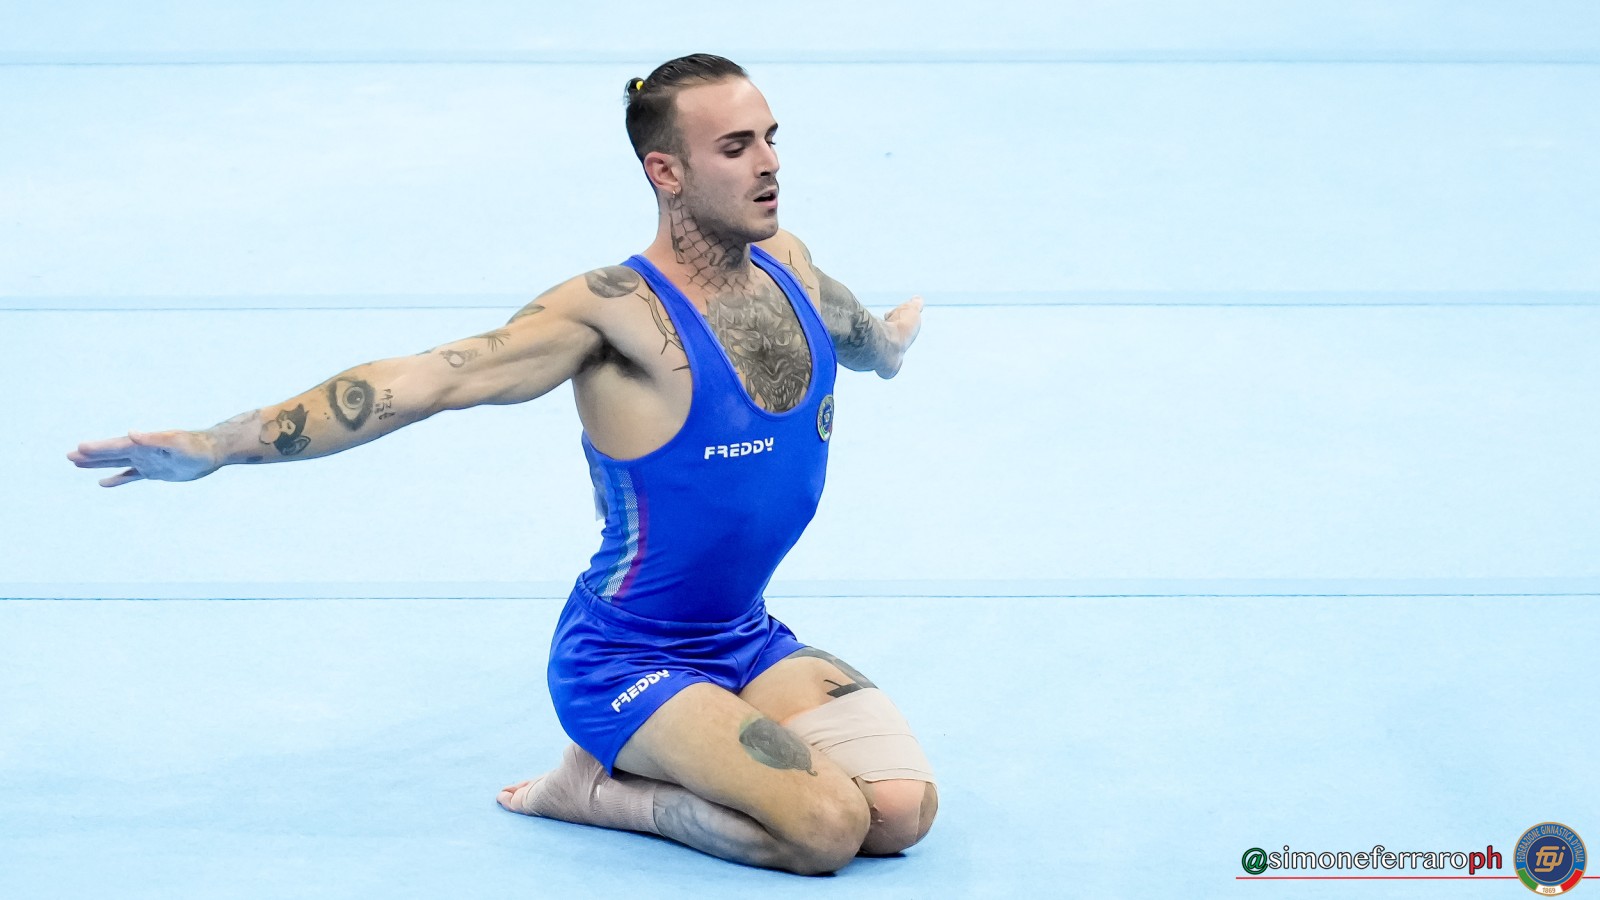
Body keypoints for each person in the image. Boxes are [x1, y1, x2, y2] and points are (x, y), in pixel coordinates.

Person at [67, 53, 932, 875]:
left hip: (743, 636)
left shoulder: (788, 264)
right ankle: (598, 792)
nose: (769, 164)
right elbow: (421, 382)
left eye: (771, 139)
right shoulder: (612, 315)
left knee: (900, 814)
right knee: (826, 829)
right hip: (626, 660)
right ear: (665, 172)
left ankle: (697, 738)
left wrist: (889, 347)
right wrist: (218, 445)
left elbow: (850, 328)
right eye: (736, 148)